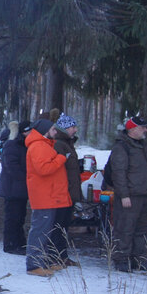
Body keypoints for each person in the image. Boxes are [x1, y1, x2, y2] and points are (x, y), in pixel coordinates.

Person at [109, 115, 147, 271]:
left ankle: (138, 259)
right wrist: (124, 195)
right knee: (125, 229)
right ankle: (121, 260)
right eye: (143, 127)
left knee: (141, 230)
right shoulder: (122, 148)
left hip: (145, 195)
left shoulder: (143, 146)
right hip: (129, 196)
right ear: (133, 129)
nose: (145, 130)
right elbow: (118, 173)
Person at [25, 119, 70, 276]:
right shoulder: (38, 146)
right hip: (44, 196)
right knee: (40, 231)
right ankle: (34, 265)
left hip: (48, 195)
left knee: (45, 230)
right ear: (45, 130)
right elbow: (44, 169)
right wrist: (61, 158)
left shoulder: (43, 145)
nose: (55, 132)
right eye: (52, 129)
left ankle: (42, 262)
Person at [51, 113, 83, 267]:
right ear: (64, 128)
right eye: (73, 127)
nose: (75, 130)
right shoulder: (59, 144)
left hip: (68, 192)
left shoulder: (67, 144)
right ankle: (55, 256)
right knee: (58, 226)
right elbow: (58, 168)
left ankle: (62, 256)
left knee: (64, 226)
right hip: (62, 192)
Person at [0, 120, 32, 255]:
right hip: (12, 188)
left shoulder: (21, 144)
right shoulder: (12, 145)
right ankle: (11, 244)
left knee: (19, 217)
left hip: (19, 188)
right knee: (13, 217)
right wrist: (26, 178)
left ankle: (19, 243)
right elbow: (11, 167)